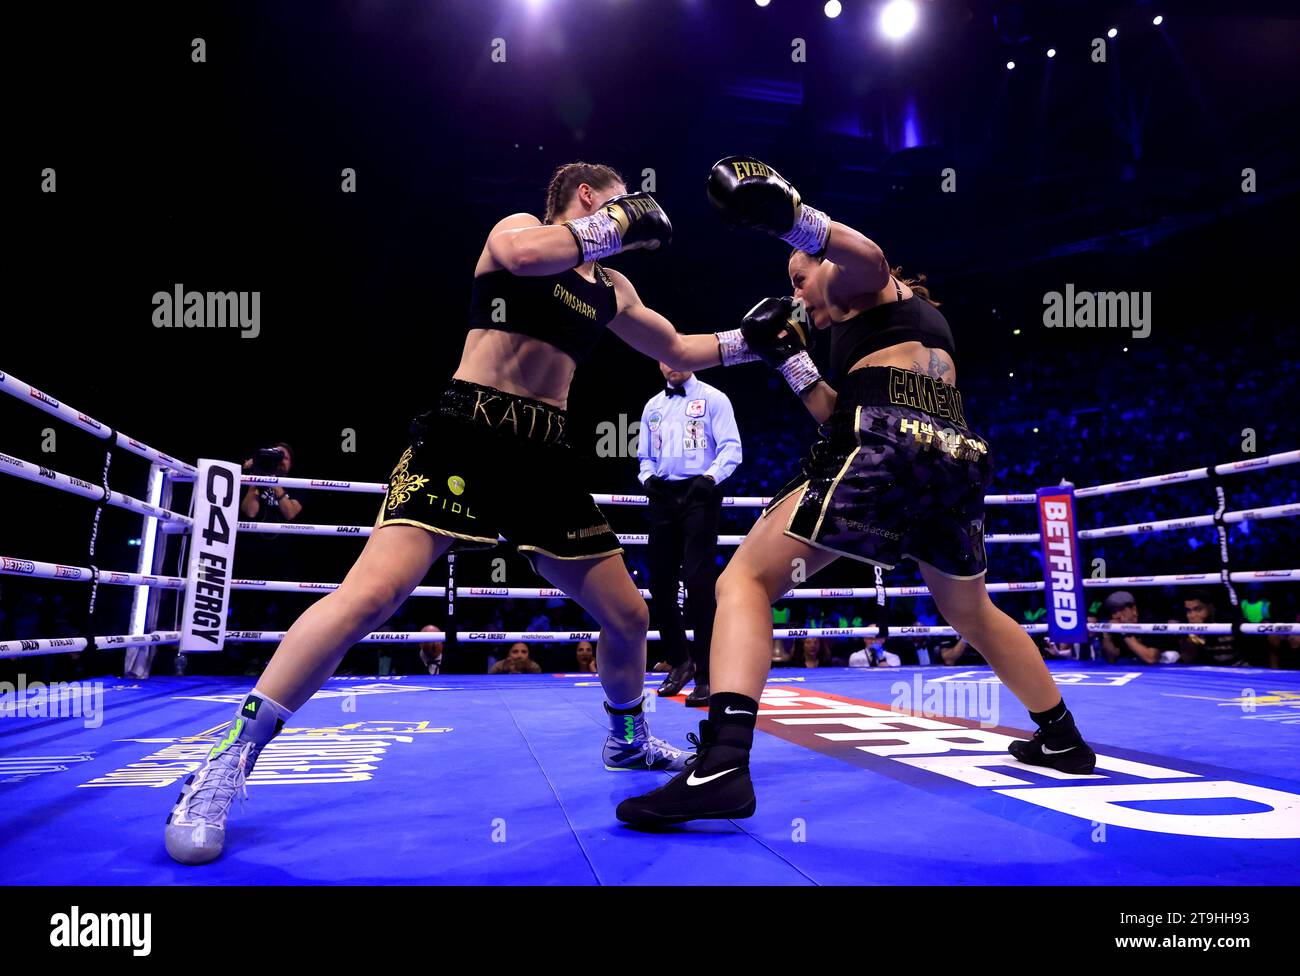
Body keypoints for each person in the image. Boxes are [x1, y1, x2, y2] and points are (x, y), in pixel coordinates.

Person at [165, 161, 766, 864]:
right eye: (616, 207)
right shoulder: (522, 231)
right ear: (586, 198)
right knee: (373, 595)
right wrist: (624, 218)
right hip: (465, 438)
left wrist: (759, 342)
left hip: (545, 458)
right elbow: (521, 258)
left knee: (629, 617)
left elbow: (677, 348)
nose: (629, 221)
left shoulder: (614, 287)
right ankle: (224, 763)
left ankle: (625, 740)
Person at [618, 155, 1097, 827]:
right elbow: (687, 353)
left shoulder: (866, 284)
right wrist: (607, 306)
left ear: (820, 263)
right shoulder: (848, 330)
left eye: (800, 278)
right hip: (951, 456)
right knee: (971, 612)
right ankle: (1063, 738)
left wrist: (790, 216)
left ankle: (724, 763)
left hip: (889, 439)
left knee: (743, 584)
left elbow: (866, 256)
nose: (800, 297)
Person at [639, 361, 742, 705]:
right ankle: (680, 661)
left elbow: (731, 448)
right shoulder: (652, 405)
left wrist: (709, 478)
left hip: (701, 495)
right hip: (664, 497)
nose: (671, 365)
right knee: (659, 583)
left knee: (699, 583)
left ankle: (709, 676)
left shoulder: (714, 398)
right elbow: (644, 456)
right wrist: (648, 478)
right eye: (664, 359)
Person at [1179, 592, 1246, 667]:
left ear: (1210, 607)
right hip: (1210, 670)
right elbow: (1188, 660)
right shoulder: (1187, 628)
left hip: (1239, 667)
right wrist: (1193, 635)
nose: (1192, 615)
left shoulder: (1229, 621)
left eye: (1198, 609)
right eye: (1188, 611)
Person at [1098, 591, 1161, 664]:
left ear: (1133, 609)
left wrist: (1124, 631)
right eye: (1114, 612)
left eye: (1121, 610)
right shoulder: (1115, 624)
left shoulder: (1149, 622)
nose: (1116, 616)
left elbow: (1151, 658)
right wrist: (1106, 635)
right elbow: (1111, 659)